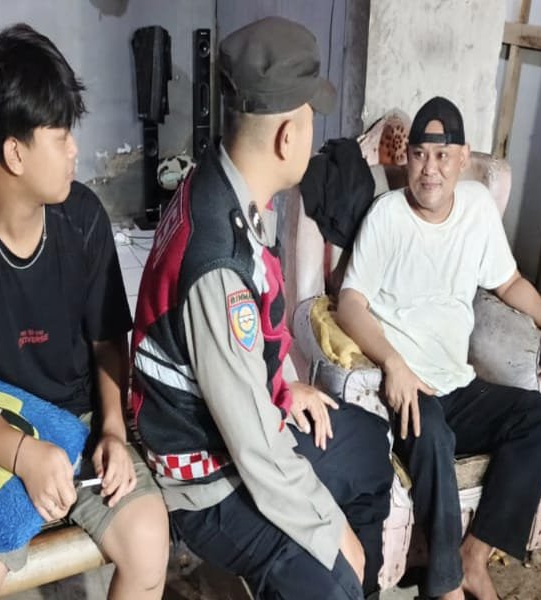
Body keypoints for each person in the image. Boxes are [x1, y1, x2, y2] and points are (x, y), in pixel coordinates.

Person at [130, 17, 393, 600]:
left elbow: (246, 356)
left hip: (240, 420)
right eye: (310, 118)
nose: (313, 133)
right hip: (207, 476)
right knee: (333, 575)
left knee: (370, 449)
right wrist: (332, 534)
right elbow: (256, 452)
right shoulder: (217, 260)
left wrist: (281, 384)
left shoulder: (226, 185)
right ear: (286, 138)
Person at [0, 23, 168, 600]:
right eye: (61, 135)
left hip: (78, 427)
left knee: (149, 540)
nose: (75, 150)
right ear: (15, 152)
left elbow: (107, 341)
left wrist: (112, 431)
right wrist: (23, 455)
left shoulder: (84, 219)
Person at [335, 96, 541, 600]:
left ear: (463, 159)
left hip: (458, 386)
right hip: (405, 389)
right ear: (407, 159)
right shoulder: (387, 216)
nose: (430, 169)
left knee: (537, 418)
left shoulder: (478, 208)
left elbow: (509, 282)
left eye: (442, 156)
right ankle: (444, 587)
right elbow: (349, 303)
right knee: (432, 433)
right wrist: (393, 364)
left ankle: (473, 560)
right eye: (420, 155)